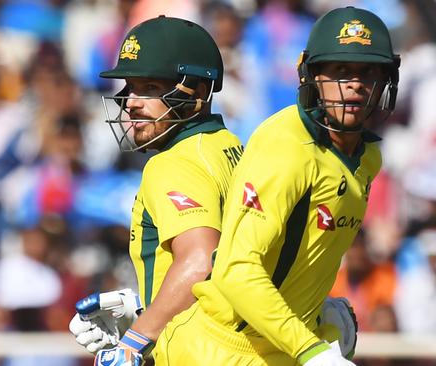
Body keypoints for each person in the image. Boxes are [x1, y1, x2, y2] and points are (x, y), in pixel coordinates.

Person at [153, 6, 400, 366]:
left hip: (279, 350)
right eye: (340, 71)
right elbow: (237, 271)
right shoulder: (287, 146)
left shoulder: (368, 158)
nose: (355, 85)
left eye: (368, 72)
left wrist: (316, 310)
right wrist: (311, 350)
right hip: (217, 351)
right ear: (312, 76)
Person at [67, 15, 243, 364]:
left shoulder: (173, 162)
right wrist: (144, 307)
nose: (131, 102)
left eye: (149, 88)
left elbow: (200, 262)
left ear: (198, 90)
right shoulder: (230, 146)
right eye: (130, 87)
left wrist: (134, 340)